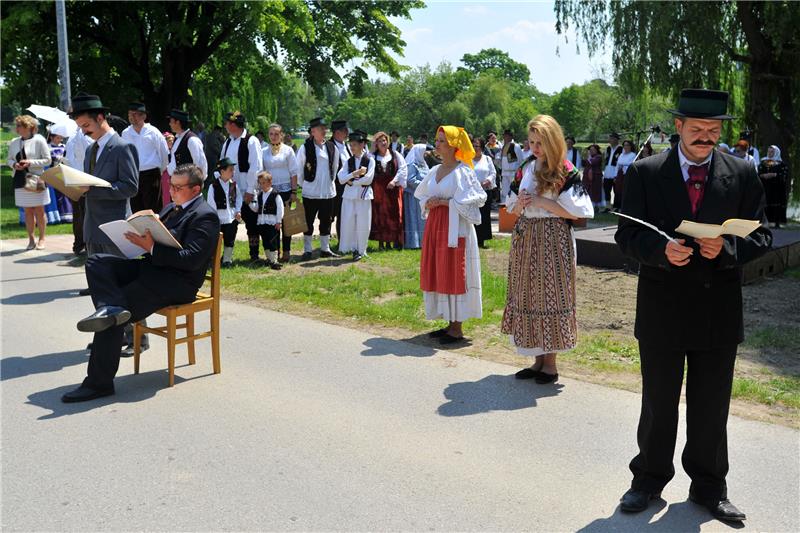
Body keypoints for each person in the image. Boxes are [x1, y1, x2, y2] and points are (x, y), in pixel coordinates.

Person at [615, 89, 772, 522]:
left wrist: (725, 249)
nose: (705, 137)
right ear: (678, 128)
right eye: (697, 129)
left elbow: (761, 237)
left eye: (713, 130)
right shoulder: (646, 172)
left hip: (717, 309)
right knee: (658, 402)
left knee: (711, 404)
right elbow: (625, 235)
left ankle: (709, 487)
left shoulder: (742, 173)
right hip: (662, 305)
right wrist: (658, 251)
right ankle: (647, 479)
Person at [62, 164, 220, 403]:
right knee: (98, 262)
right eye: (171, 185)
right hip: (152, 269)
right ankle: (112, 307)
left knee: (112, 321)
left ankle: (98, 383)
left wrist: (152, 247)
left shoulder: (205, 216)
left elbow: (191, 260)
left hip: (175, 283)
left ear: (196, 188)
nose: (172, 190)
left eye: (178, 187)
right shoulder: (171, 208)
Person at [503, 115, 593, 384]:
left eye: (540, 142)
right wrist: (520, 203)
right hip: (526, 235)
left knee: (550, 294)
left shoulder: (564, 169)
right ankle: (536, 359)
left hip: (553, 238)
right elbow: (510, 206)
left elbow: (580, 212)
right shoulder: (526, 167)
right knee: (528, 295)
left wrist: (542, 202)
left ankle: (550, 364)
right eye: (531, 142)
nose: (534, 148)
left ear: (552, 141)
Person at [415, 126, 486, 344]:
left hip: (456, 229)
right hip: (436, 226)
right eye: (437, 140)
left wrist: (445, 203)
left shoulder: (463, 171)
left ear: (454, 146)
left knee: (454, 271)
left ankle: (457, 327)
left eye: (442, 141)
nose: (436, 144)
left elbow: (477, 200)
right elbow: (422, 194)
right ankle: (448, 321)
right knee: (440, 269)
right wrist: (428, 202)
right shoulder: (434, 171)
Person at [69, 94, 139, 257]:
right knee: (96, 281)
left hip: (115, 230)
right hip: (92, 229)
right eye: (80, 127)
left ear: (100, 117)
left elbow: (130, 187)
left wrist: (91, 190)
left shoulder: (123, 147)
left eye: (86, 125)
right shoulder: (90, 149)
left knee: (115, 280)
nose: (84, 131)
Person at [219, 111, 263, 262]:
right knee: (230, 223)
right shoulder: (228, 142)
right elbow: (222, 163)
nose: (225, 126)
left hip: (246, 189)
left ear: (232, 124)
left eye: (226, 123)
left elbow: (255, 167)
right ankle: (227, 256)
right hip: (231, 189)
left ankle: (254, 255)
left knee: (251, 223)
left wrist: (251, 190)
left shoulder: (251, 141)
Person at [296, 117, 340, 260]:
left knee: (326, 220)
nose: (324, 131)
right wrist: (306, 185)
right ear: (313, 131)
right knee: (308, 221)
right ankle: (308, 249)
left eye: (324, 129)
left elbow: (335, 167)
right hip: (310, 192)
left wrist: (329, 182)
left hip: (328, 191)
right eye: (321, 129)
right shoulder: (305, 147)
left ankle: (325, 248)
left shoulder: (332, 147)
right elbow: (299, 170)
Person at [7, 115, 51, 250]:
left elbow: (48, 160)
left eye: (20, 126)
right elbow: (8, 159)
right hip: (20, 180)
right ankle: (31, 239)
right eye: (17, 126)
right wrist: (14, 165)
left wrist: (30, 162)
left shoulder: (40, 140)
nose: (17, 129)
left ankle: (42, 238)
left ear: (29, 128)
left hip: (36, 179)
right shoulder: (14, 142)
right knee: (27, 211)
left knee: (39, 210)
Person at [262, 123, 299, 262]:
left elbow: (294, 172)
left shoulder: (288, 150)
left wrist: (294, 191)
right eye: (271, 134)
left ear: (281, 135)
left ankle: (287, 251)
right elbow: (262, 171)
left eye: (276, 134)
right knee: (273, 222)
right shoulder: (264, 151)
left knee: (286, 222)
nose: (273, 136)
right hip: (270, 192)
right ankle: (274, 251)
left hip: (286, 190)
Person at [122, 102, 169, 213]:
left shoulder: (153, 132)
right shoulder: (125, 133)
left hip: (151, 173)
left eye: (135, 114)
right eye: (130, 114)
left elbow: (164, 153)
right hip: (134, 174)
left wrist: (160, 170)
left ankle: (155, 230)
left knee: (153, 208)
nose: (132, 117)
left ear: (143, 116)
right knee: (136, 207)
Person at [337, 129, 375, 261]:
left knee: (363, 223)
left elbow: (368, 179)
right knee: (348, 221)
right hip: (349, 196)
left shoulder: (370, 160)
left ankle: (361, 249)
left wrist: (352, 182)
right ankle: (349, 247)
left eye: (354, 145)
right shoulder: (349, 161)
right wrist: (354, 174)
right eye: (350, 145)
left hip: (363, 195)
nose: (351, 147)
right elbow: (341, 178)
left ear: (362, 145)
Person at [370, 131, 407, 250]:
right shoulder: (372, 156)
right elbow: (367, 167)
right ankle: (381, 242)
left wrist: (394, 181)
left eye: (384, 140)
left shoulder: (395, 155)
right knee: (380, 215)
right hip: (379, 190)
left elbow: (402, 169)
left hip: (392, 189)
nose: (383, 143)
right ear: (376, 144)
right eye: (380, 141)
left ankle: (391, 242)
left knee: (393, 214)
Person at [207, 157, 242, 267]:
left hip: (231, 218)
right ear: (222, 171)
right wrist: (214, 217)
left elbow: (239, 199)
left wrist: (238, 210)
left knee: (230, 239)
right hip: (219, 219)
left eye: (233, 170)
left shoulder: (234, 185)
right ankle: (215, 260)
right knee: (216, 240)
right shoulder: (213, 186)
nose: (233, 172)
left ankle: (227, 259)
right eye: (230, 170)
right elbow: (211, 202)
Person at [64, 127, 94, 256]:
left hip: (75, 178)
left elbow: (69, 159)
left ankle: (79, 244)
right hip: (85, 178)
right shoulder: (87, 137)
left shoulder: (72, 138)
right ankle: (86, 244)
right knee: (87, 213)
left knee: (78, 213)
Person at [251, 171, 284, 270]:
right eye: (260, 183)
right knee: (265, 241)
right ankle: (269, 259)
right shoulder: (260, 195)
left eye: (264, 183)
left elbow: (280, 208)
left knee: (272, 241)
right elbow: (256, 208)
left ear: (270, 182)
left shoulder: (275, 194)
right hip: (262, 222)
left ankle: (274, 260)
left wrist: (279, 221)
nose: (262, 185)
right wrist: (250, 203)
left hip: (272, 222)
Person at [167, 109, 207, 181]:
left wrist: (197, 183)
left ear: (178, 122)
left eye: (171, 121)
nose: (169, 124)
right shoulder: (177, 138)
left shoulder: (192, 140)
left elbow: (200, 164)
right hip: (177, 181)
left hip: (188, 183)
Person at [403, 143, 430, 250]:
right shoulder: (412, 165)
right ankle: (413, 242)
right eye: (424, 152)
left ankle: (423, 241)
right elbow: (410, 180)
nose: (426, 154)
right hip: (413, 196)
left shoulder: (423, 164)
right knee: (413, 219)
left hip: (422, 196)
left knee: (422, 219)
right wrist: (424, 185)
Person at [329, 119, 351, 245]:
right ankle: (325, 244)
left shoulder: (346, 146)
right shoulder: (330, 145)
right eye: (344, 131)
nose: (347, 133)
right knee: (330, 216)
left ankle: (342, 241)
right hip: (335, 186)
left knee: (343, 215)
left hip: (346, 187)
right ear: (336, 132)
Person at [471, 135, 495, 248]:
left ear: (482, 147)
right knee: (473, 215)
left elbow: (493, 173)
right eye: (473, 146)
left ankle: (482, 240)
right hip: (472, 192)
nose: (475, 148)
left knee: (484, 215)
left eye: (477, 146)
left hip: (485, 191)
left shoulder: (487, 159)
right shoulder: (468, 160)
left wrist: (488, 180)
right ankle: (473, 239)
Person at [758, 145, 789, 228]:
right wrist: (764, 175)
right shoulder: (763, 162)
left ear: (776, 153)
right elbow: (759, 173)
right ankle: (764, 222)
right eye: (769, 151)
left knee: (776, 203)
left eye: (772, 152)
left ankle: (776, 222)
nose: (770, 153)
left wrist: (775, 174)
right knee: (765, 202)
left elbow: (784, 175)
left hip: (777, 188)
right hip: (766, 186)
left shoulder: (781, 164)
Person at [46, 130, 72, 223]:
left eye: (61, 138)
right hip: (52, 173)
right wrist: (55, 160)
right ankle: (57, 215)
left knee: (64, 194)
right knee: (56, 195)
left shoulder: (64, 147)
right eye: (57, 137)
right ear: (51, 137)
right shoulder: (47, 147)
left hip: (63, 173)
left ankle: (66, 215)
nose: (60, 140)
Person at [495, 129, 523, 205]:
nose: (504, 137)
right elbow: (500, 160)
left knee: (514, 192)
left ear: (510, 136)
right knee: (505, 192)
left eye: (506, 136)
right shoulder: (503, 146)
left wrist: (519, 173)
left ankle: (515, 207)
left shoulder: (516, 146)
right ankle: (505, 206)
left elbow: (521, 160)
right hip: (504, 173)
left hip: (513, 174)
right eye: (504, 136)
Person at [613, 140, 637, 211]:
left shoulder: (633, 155)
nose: (626, 147)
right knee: (617, 190)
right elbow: (617, 165)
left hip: (627, 174)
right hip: (619, 174)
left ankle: (623, 207)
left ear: (630, 146)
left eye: (627, 145)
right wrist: (615, 176)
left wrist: (623, 165)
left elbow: (631, 164)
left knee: (625, 191)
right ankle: (617, 206)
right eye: (625, 145)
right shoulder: (621, 155)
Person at [602, 132, 623, 211]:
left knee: (616, 190)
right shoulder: (608, 148)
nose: (609, 140)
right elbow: (605, 160)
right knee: (607, 190)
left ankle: (616, 206)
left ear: (616, 139)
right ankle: (607, 206)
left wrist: (617, 174)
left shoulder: (621, 149)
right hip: (608, 172)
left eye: (611, 138)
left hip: (615, 172)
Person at [582, 144, 603, 208]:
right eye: (590, 150)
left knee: (594, 191)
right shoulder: (589, 157)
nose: (591, 151)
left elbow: (592, 162)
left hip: (595, 176)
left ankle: (594, 206)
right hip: (586, 176)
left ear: (597, 150)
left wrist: (587, 158)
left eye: (593, 149)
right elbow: (583, 163)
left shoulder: (598, 157)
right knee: (586, 189)